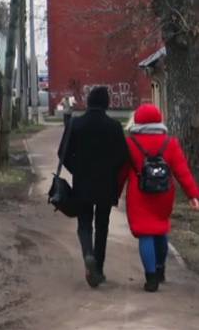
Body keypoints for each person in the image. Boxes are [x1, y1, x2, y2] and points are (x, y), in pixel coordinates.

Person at [119, 104, 199, 292]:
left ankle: (151, 278)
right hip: (164, 194)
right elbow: (182, 172)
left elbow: (121, 172)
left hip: (139, 194)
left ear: (138, 120)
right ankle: (160, 268)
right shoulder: (170, 143)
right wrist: (193, 195)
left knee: (145, 234)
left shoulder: (130, 143)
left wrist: (115, 193)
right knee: (160, 230)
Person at [59, 86, 128, 288]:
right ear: (106, 103)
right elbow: (123, 156)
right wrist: (111, 171)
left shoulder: (76, 124)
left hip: (82, 182)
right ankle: (98, 268)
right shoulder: (114, 126)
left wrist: (75, 170)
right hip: (106, 184)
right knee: (103, 226)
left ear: (88, 102)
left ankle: (88, 254)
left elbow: (62, 153)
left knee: (84, 224)